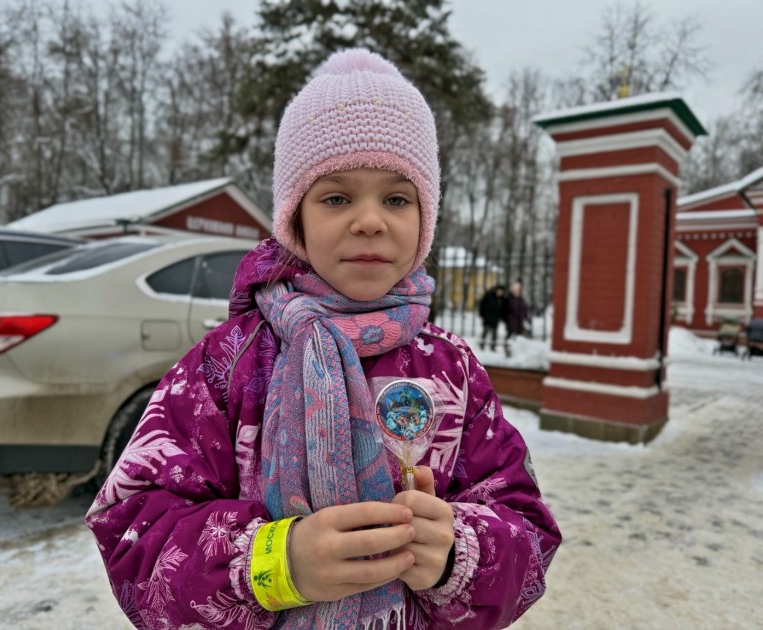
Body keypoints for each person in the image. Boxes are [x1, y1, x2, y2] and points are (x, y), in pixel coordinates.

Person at [86, 48, 560, 630]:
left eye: (396, 197)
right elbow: (131, 524)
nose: (370, 220)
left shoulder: (453, 369)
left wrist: (458, 554)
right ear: (296, 218)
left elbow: (528, 531)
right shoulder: (226, 365)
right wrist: (274, 564)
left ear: (424, 219)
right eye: (337, 197)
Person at [502, 281, 530, 358]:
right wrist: (507, 319)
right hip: (511, 321)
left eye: (518, 289)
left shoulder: (521, 299)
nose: (517, 291)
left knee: (518, 338)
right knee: (509, 336)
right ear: (512, 290)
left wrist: (526, 318)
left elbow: (525, 310)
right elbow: (504, 310)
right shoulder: (508, 299)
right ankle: (507, 350)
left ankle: (515, 352)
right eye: (515, 289)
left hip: (519, 322)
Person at [478, 285, 506, 351]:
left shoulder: (502, 299)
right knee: (485, 331)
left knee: (494, 333)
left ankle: (493, 347)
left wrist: (501, 317)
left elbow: (503, 309)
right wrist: (482, 314)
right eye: (499, 291)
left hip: (495, 319)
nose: (500, 293)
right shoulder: (489, 296)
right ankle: (482, 345)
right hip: (487, 317)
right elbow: (482, 304)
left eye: (501, 291)